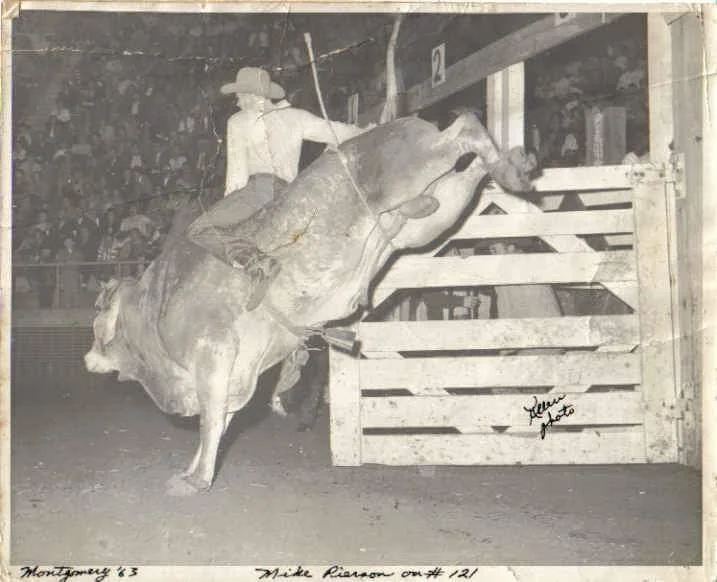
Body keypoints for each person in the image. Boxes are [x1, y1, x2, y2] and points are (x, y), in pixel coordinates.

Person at [219, 66, 369, 200]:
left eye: (239, 97)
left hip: (254, 196)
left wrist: (229, 203)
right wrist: (370, 129)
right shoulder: (296, 117)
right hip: (287, 198)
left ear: (250, 95)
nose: (238, 103)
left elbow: (236, 175)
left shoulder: (237, 121)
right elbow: (338, 132)